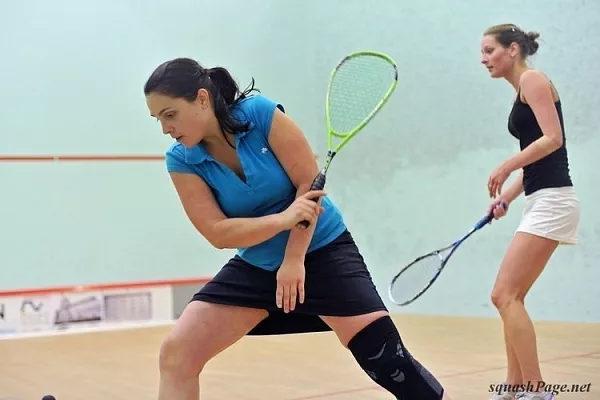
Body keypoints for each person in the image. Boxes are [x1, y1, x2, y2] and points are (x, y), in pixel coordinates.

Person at [143, 57, 449, 400]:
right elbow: (217, 231)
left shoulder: (258, 113)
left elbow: (308, 184)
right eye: (158, 119)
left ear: (201, 99)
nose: (165, 128)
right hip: (257, 264)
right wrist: (282, 221)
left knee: (389, 362)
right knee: (177, 354)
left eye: (170, 115)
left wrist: (293, 258)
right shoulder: (182, 159)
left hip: (324, 250)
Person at [480, 24, 581, 400]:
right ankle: (514, 387)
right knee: (511, 297)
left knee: (504, 294)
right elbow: (537, 159)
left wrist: (505, 166)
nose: (483, 58)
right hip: (542, 197)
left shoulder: (534, 80)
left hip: (555, 200)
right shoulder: (520, 91)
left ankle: (537, 391)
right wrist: (507, 197)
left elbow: (554, 140)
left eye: (490, 50)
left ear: (513, 50)